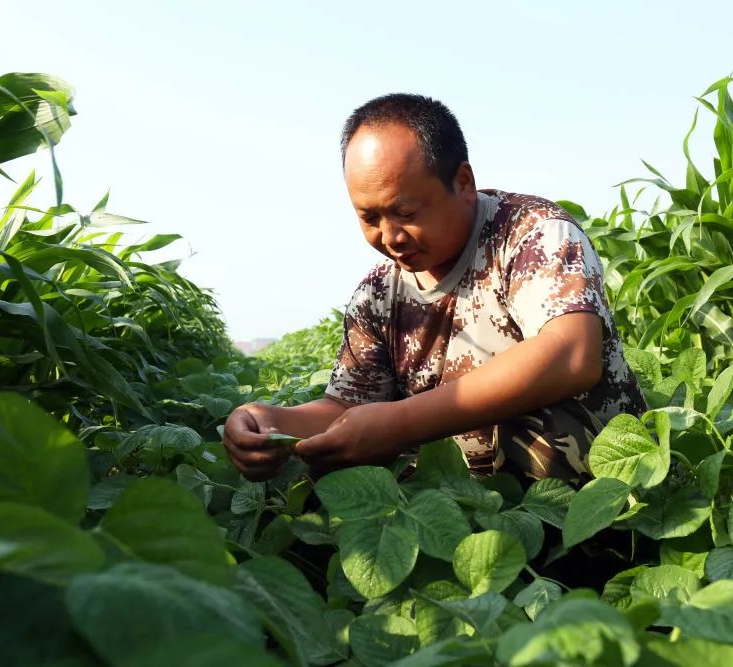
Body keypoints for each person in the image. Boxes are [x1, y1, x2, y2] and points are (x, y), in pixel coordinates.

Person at [222, 93, 646, 485]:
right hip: (471, 516)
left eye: (405, 211)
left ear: (462, 183)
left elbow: (571, 354)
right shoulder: (378, 294)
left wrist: (401, 422)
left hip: (604, 503)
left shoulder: (530, 234)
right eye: (368, 217)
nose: (390, 237)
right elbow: (347, 411)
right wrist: (268, 421)